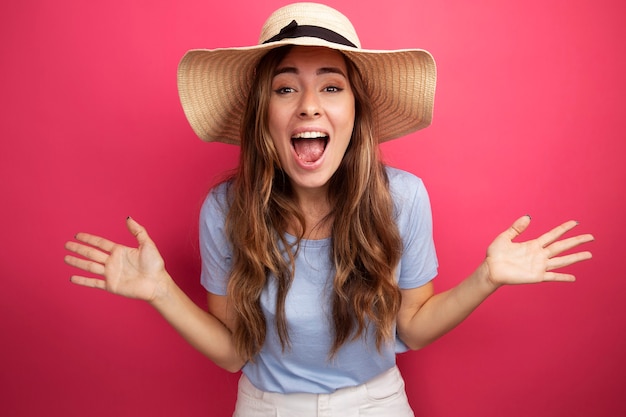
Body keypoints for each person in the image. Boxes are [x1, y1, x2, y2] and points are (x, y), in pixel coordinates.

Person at [64, 3, 594, 416]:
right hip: (264, 407)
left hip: (377, 404)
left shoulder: (402, 198)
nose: (309, 105)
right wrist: (160, 292)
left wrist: (486, 278)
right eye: (286, 87)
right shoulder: (225, 209)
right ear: (262, 117)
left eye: (331, 86)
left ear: (355, 112)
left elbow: (411, 328)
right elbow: (234, 352)